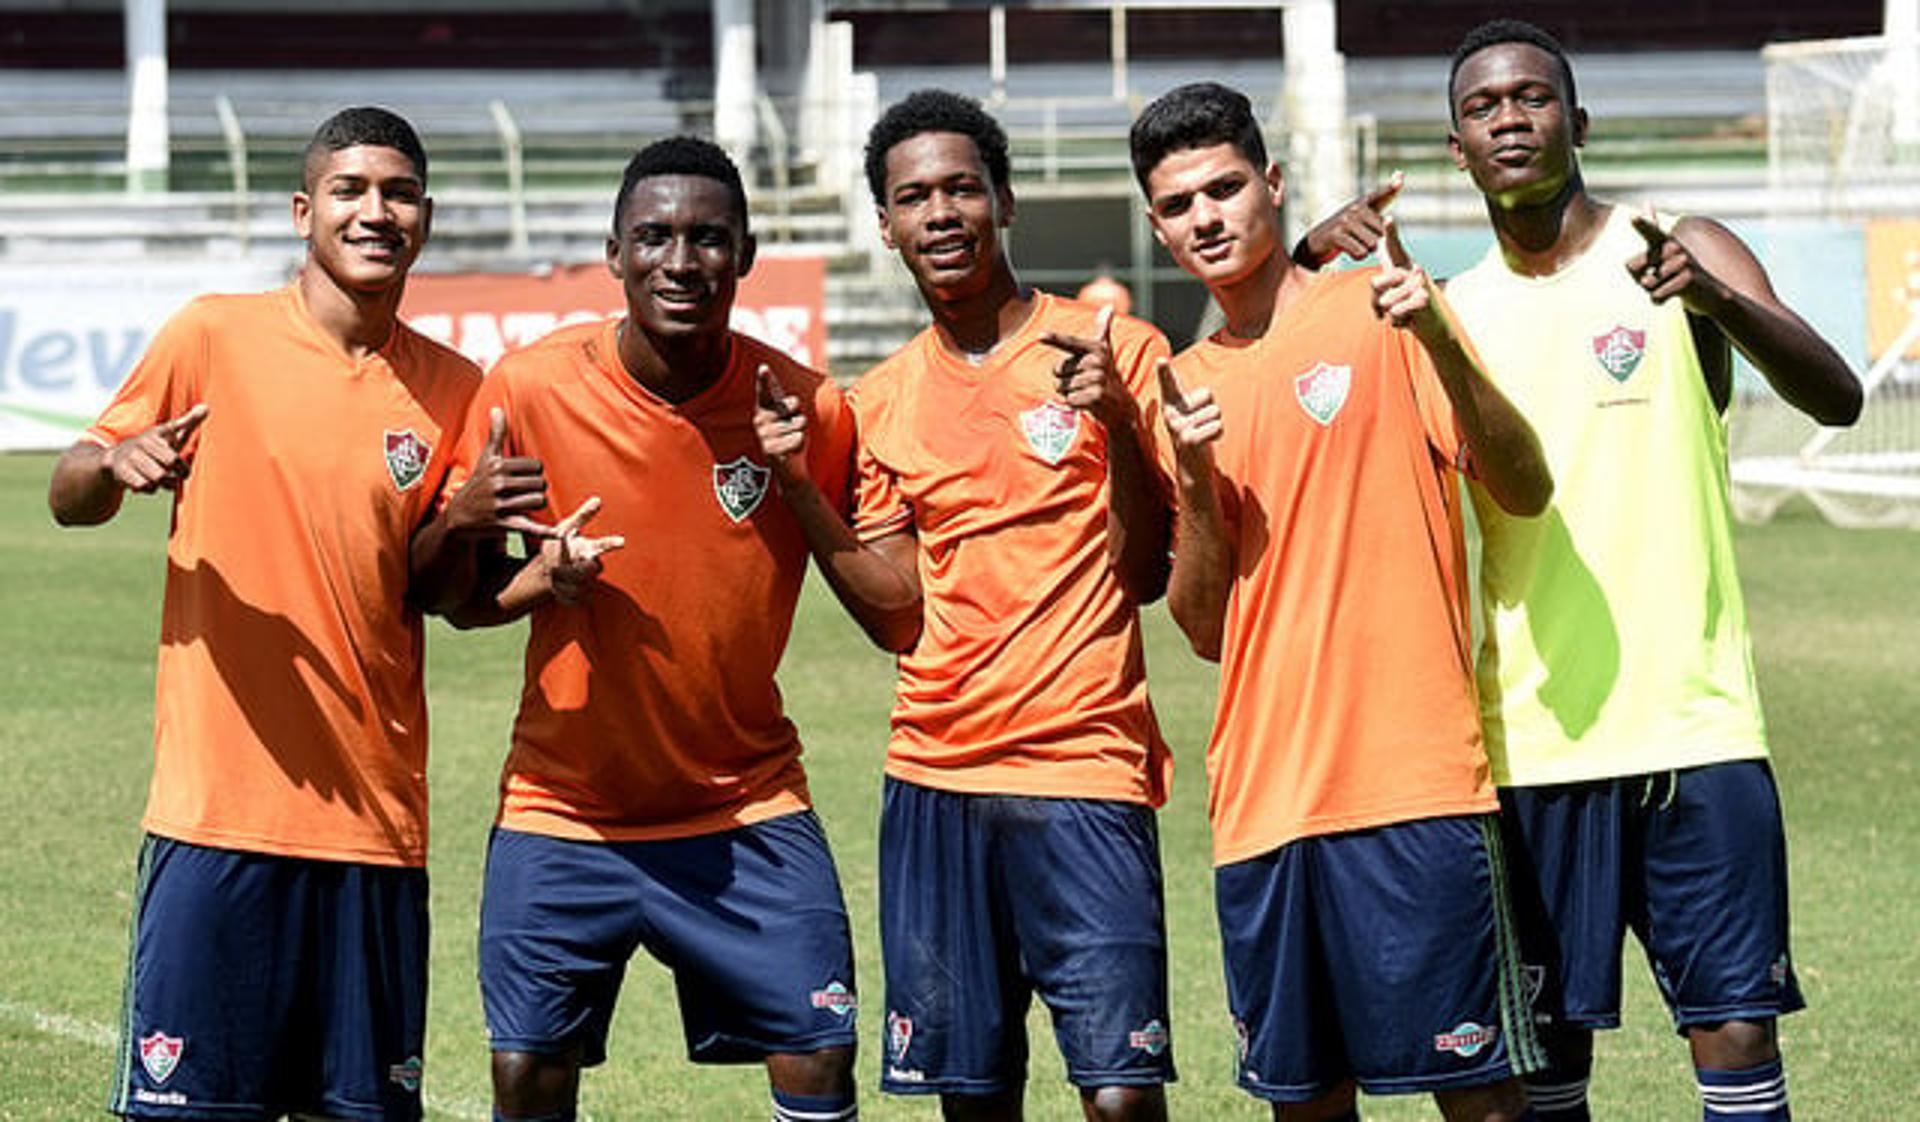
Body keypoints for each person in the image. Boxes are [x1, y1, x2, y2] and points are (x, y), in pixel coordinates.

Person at [1437, 20, 1861, 1122]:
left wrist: (1718, 303)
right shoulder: (1453, 317)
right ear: (1458, 149)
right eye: (1485, 108)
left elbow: (1837, 397)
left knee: (1732, 1029)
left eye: (1533, 99)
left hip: (1697, 725)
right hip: (1531, 738)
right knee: (1549, 1061)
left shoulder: (1679, 245)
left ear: (1578, 124)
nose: (1512, 119)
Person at [47, 107, 489, 1121]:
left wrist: (487, 543)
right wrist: (116, 464)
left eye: (399, 192)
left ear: (425, 216)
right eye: (351, 190)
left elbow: (447, 595)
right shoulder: (213, 335)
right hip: (219, 823)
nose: (376, 212)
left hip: (376, 831)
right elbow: (70, 488)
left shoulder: (457, 391)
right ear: (304, 211)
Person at [1130, 81, 1554, 1122]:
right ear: (1157, 224)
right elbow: (1202, 629)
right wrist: (1189, 481)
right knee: (1304, 1104)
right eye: (1180, 205)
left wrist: (1444, 342)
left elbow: (1525, 486)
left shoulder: (1384, 310)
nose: (1207, 218)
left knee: (1481, 1101)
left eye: (1226, 188)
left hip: (1414, 787)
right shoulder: (1180, 387)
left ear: (1272, 186)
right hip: (1264, 805)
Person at [424, 136, 862, 1122]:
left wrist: (799, 486)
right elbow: (457, 600)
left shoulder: (808, 411)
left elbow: (882, 594)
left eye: (709, 238)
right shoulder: (529, 389)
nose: (681, 261)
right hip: (563, 808)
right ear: (613, 252)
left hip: (746, 805)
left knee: (818, 1057)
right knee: (526, 1075)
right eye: (654, 236)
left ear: (745, 253)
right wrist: (535, 572)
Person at [822, 88, 1177, 1122]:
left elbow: (1146, 569)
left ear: (1005, 202)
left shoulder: (1116, 351)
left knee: (1120, 1096)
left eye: (962, 188)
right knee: (974, 1096)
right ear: (885, 226)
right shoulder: (877, 403)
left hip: (1085, 765)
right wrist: (805, 491)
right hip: (935, 774)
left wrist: (1114, 420)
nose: (941, 213)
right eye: (913, 197)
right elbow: (893, 610)